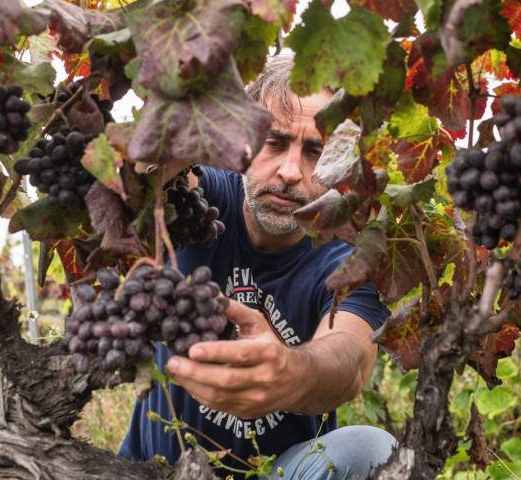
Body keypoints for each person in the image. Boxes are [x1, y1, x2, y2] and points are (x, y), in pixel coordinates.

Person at [118, 55, 397, 479]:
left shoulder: (350, 256)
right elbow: (137, 177)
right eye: (274, 142)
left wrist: (290, 372)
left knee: (373, 450)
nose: (289, 172)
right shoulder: (204, 198)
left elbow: (351, 358)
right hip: (150, 470)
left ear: (342, 165)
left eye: (315, 151)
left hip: (277, 473)